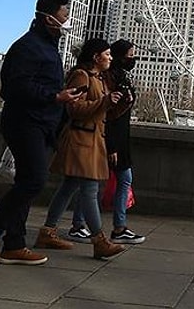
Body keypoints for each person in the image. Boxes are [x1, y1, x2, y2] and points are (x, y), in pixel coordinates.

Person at [0, 0, 85, 267]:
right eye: (63, 14)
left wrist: (61, 97)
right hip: (25, 122)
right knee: (34, 180)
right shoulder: (27, 47)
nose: (67, 19)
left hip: (41, 123)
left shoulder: (47, 47)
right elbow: (13, 88)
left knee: (25, 181)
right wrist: (55, 97)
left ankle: (14, 244)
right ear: (48, 18)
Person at [33, 38, 126, 260]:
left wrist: (120, 104)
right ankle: (99, 240)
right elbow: (74, 108)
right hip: (81, 140)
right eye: (107, 54)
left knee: (68, 187)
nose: (110, 58)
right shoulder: (81, 76)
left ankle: (48, 231)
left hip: (91, 140)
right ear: (96, 57)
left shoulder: (99, 79)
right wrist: (105, 101)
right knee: (90, 190)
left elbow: (102, 112)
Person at [67, 39, 145, 245]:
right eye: (130, 54)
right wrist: (111, 145)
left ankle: (72, 225)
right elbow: (102, 114)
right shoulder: (98, 78)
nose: (133, 58)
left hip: (113, 138)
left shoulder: (116, 77)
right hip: (104, 139)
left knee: (79, 184)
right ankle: (106, 231)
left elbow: (112, 111)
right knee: (95, 184)